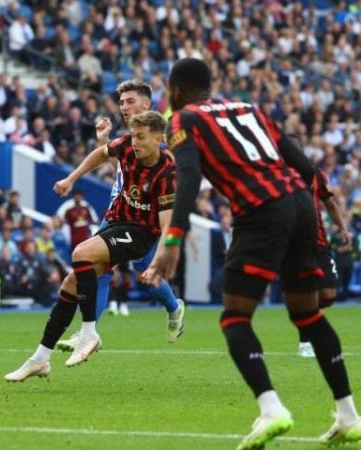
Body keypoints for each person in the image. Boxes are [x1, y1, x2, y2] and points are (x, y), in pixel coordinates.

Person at [144, 58, 360, 449]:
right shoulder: (252, 109)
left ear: (175, 91)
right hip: (300, 206)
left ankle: (271, 409)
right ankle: (348, 414)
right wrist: (316, 208)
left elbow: (189, 176)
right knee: (308, 316)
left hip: (261, 211)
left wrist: (172, 237)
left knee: (236, 318)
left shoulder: (184, 119)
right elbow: (306, 166)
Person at [4, 110, 182, 382]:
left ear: (159, 138)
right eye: (133, 135)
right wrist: (71, 178)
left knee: (81, 253)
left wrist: (157, 261)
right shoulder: (126, 146)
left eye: (142, 137)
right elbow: (101, 154)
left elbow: (167, 224)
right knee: (70, 283)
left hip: (141, 233)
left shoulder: (166, 172)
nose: (135, 141)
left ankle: (89, 333)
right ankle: (40, 358)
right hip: (116, 222)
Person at [55, 80, 184, 352]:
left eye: (130, 101)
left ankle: (174, 308)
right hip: (118, 211)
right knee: (97, 270)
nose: (124, 107)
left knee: (145, 272)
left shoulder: (160, 138)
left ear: (146, 104)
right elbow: (121, 166)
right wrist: (102, 142)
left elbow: (161, 180)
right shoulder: (129, 139)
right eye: (122, 102)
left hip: (145, 219)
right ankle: (87, 333)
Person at [297, 167, 351, 358]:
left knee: (328, 295)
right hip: (296, 245)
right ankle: (305, 342)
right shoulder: (278, 175)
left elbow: (329, 203)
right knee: (308, 289)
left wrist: (343, 228)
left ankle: (303, 313)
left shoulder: (314, 174)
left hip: (320, 242)